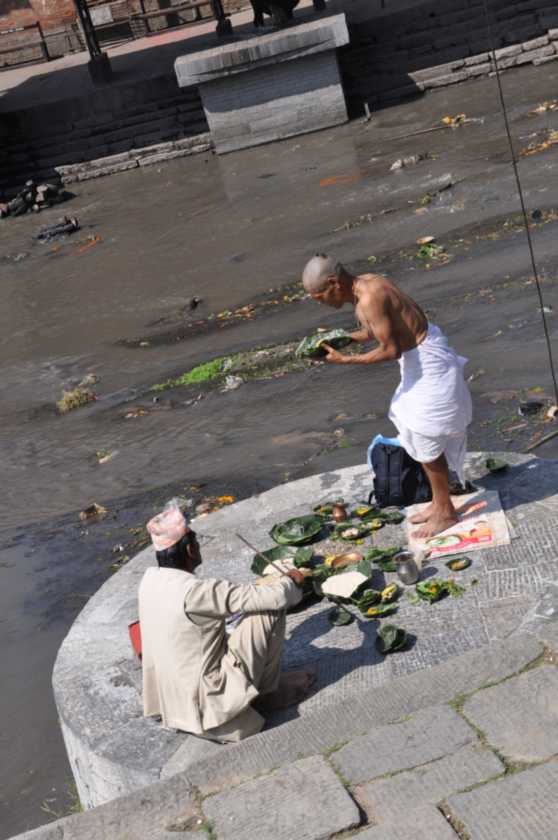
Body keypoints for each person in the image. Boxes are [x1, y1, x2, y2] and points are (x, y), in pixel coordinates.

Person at [301, 254, 472, 538]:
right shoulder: (368, 282)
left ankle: (445, 512)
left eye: (320, 297)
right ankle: (438, 502)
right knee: (412, 428)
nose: (321, 303)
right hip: (417, 358)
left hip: (427, 361)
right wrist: (340, 340)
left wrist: (346, 360)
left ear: (333, 282)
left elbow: (391, 350)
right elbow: (376, 329)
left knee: (425, 433)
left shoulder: (369, 299)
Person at [138, 505, 313, 743]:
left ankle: (252, 691)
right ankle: (263, 695)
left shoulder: (149, 581)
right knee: (267, 610)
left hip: (175, 702)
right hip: (208, 706)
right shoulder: (196, 591)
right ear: (190, 549)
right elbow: (277, 597)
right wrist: (291, 580)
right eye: (197, 542)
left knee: (232, 623)